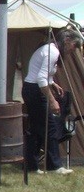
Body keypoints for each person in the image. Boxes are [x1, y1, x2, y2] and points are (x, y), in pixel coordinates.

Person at [22, 26, 83, 174]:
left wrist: (53, 84)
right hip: (35, 91)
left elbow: (42, 74)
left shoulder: (50, 49)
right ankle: (54, 166)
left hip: (31, 88)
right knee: (50, 128)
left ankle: (32, 165)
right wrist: (53, 101)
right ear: (67, 41)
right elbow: (41, 79)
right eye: (74, 45)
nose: (73, 49)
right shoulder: (53, 52)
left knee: (37, 129)